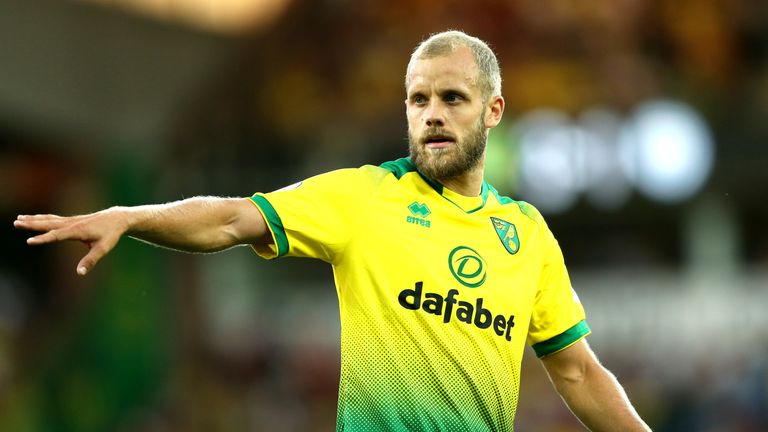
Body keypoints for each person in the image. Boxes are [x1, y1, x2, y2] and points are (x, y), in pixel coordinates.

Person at [14, 31, 651, 431]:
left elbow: (576, 373)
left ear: (493, 111)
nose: (431, 115)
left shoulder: (527, 234)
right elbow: (233, 217)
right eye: (417, 99)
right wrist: (131, 216)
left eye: (451, 99)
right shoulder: (365, 196)